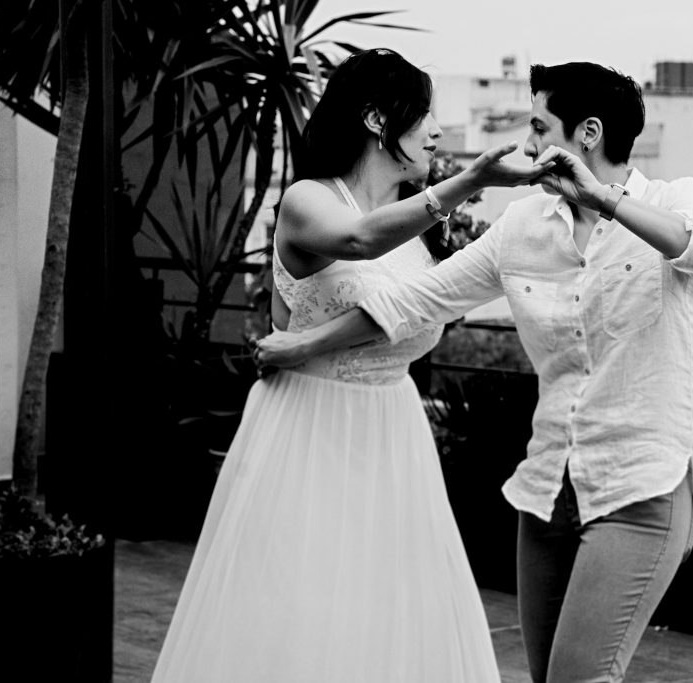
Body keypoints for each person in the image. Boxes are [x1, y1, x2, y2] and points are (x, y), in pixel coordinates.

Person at [254, 61, 693, 682]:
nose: (531, 147)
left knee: (580, 678)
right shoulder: (522, 228)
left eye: (540, 128)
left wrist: (602, 199)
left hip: (641, 486)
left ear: (587, 134)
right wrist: (298, 347)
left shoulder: (674, 200)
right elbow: (415, 302)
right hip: (546, 492)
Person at [150, 48, 550, 683]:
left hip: (392, 430)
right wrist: (472, 180)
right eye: (424, 115)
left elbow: (419, 313)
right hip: (310, 427)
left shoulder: (415, 233)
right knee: (303, 600)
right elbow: (360, 240)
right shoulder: (308, 201)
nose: (436, 131)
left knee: (388, 601)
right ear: (374, 119)